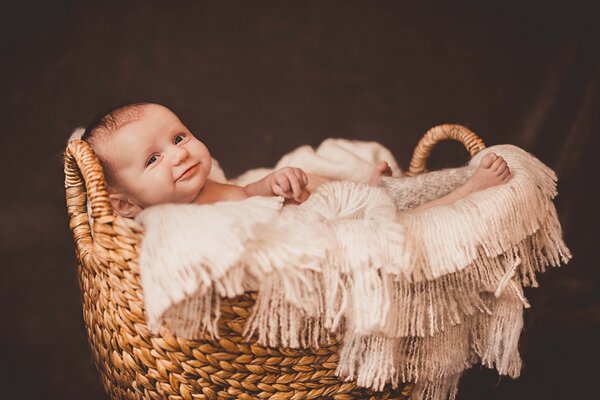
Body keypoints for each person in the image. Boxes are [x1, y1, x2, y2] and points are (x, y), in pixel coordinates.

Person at [81, 102, 510, 218]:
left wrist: (271, 185)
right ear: (124, 204)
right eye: (154, 158)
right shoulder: (166, 229)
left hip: (310, 215)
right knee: (397, 225)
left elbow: (241, 195)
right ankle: (466, 192)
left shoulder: (202, 192)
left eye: (179, 137)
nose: (180, 154)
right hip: (317, 243)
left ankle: (377, 191)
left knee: (317, 181)